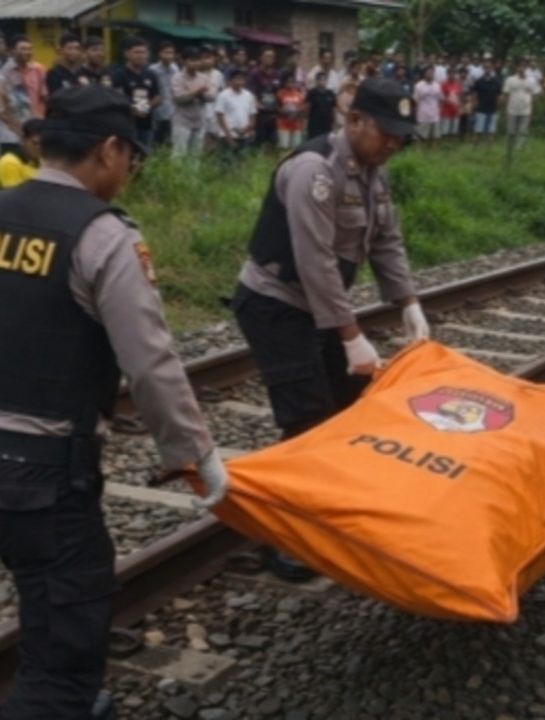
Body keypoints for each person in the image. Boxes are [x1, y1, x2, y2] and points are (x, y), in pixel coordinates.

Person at [0, 85, 228, 720]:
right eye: (131, 155)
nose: (130, 170)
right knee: (71, 625)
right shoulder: (102, 237)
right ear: (108, 150)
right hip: (38, 474)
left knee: (44, 589)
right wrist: (195, 454)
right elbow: (150, 361)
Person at [228, 77, 429, 582]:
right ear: (355, 120)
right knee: (306, 420)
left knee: (350, 405)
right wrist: (349, 336)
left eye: (401, 137)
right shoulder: (313, 171)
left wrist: (407, 302)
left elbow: (386, 240)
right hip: (276, 305)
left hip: (316, 306)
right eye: (388, 133)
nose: (394, 145)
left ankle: (332, 514)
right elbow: (315, 261)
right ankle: (284, 541)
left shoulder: (371, 172)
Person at [0, 35, 48, 155]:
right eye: (22, 49)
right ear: (12, 51)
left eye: (29, 49)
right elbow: (0, 110)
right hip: (10, 133)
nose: (27, 52)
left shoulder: (38, 70)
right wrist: (19, 129)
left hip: (34, 131)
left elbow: (44, 98)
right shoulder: (3, 74)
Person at [110, 36, 161, 150]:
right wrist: (132, 108)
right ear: (127, 54)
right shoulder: (118, 75)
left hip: (146, 124)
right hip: (126, 125)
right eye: (137, 52)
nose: (141, 55)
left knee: (144, 156)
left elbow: (157, 96)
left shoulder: (150, 74)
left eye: (143, 52)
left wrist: (147, 106)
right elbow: (115, 98)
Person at [170, 46, 212, 160]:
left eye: (198, 60)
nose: (196, 63)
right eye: (192, 60)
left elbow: (211, 97)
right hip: (182, 121)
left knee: (195, 156)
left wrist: (201, 94)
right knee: (179, 155)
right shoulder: (177, 78)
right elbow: (179, 98)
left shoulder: (204, 77)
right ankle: (176, 178)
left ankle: (192, 178)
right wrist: (196, 91)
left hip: (199, 121)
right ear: (184, 61)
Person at [215, 69, 257, 166]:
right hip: (227, 134)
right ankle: (225, 180)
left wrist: (248, 128)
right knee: (226, 161)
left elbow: (252, 114)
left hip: (244, 134)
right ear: (230, 81)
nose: (239, 82)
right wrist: (228, 134)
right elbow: (220, 115)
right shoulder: (223, 95)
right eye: (237, 79)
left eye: (242, 79)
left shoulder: (248, 95)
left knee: (242, 159)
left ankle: (242, 180)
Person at [248, 48, 284, 150]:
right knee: (259, 144)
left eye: (272, 57)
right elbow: (251, 92)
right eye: (267, 56)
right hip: (260, 114)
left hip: (273, 113)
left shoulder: (278, 74)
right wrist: (257, 103)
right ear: (261, 58)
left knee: (273, 144)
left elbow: (280, 92)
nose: (270, 59)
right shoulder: (254, 74)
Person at [0, 118, 43, 188]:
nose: (40, 148)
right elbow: (13, 196)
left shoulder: (43, 160)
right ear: (23, 140)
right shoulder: (10, 162)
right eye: (36, 144)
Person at [502, 59, 535, 153]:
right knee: (511, 131)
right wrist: (505, 108)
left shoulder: (531, 80)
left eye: (524, 66)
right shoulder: (510, 79)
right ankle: (509, 148)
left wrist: (532, 108)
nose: (522, 68)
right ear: (516, 67)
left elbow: (532, 95)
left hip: (526, 110)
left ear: (526, 68)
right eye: (520, 66)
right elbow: (505, 94)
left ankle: (520, 148)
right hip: (512, 109)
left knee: (523, 131)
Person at [151, 41, 180, 146]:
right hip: (157, 112)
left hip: (172, 111)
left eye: (172, 53)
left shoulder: (175, 68)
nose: (170, 56)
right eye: (166, 52)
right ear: (160, 54)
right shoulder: (153, 70)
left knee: (170, 143)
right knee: (157, 142)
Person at [471, 60, 501, 141]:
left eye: (489, 67)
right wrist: (474, 103)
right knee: (478, 129)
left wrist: (498, 106)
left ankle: (490, 147)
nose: (487, 69)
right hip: (481, 108)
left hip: (493, 108)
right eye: (486, 67)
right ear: (483, 69)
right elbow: (474, 94)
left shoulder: (496, 81)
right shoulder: (479, 81)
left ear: (491, 69)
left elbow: (499, 95)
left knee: (492, 130)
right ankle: (476, 146)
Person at [412, 66, 441, 145]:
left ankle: (433, 153)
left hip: (434, 114)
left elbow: (439, 99)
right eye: (428, 72)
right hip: (423, 114)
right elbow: (415, 100)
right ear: (424, 74)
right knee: (420, 135)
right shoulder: (418, 86)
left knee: (435, 136)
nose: (430, 74)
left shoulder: (437, 85)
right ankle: (419, 153)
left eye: (432, 73)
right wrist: (414, 113)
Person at [305, 71, 337, 139]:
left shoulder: (330, 94)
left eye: (324, 79)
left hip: (327, 124)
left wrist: (334, 122)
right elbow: (307, 108)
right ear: (316, 80)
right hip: (314, 124)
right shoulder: (312, 93)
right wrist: (306, 122)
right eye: (320, 79)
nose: (322, 81)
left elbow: (333, 109)